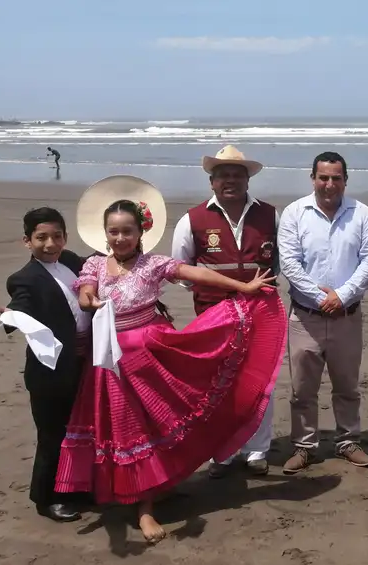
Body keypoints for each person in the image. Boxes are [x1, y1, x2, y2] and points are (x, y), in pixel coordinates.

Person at [57, 175, 286, 544]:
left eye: (127, 231)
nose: (120, 238)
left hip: (152, 355)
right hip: (111, 364)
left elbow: (195, 271)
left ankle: (158, 489)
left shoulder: (153, 265)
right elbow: (85, 294)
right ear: (105, 234)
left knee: (165, 423)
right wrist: (91, 302)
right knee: (127, 431)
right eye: (113, 232)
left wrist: (243, 288)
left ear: (140, 233)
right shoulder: (95, 266)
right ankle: (143, 508)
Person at [171, 145, 279, 479]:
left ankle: (257, 450)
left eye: (237, 174)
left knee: (262, 380)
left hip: (260, 312)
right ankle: (224, 451)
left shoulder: (270, 215)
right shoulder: (192, 219)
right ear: (212, 181)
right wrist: (212, 294)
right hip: (213, 316)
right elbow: (181, 270)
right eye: (223, 175)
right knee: (218, 384)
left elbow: (278, 263)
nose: (230, 180)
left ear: (248, 180)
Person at [277, 152, 368, 474]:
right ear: (313, 179)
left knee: (347, 386)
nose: (329, 184)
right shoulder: (295, 213)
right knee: (302, 389)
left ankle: (347, 441)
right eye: (323, 177)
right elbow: (289, 263)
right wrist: (319, 297)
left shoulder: (360, 214)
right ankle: (304, 446)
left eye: (336, 178)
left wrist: (342, 296)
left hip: (347, 318)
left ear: (345, 181)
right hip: (305, 318)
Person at [0, 207, 93, 522]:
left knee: (79, 429)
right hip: (50, 370)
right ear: (27, 240)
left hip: (84, 362)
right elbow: (20, 305)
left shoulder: (71, 261)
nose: (50, 244)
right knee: (53, 434)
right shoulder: (24, 278)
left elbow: (98, 265)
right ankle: (46, 498)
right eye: (41, 238)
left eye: (57, 236)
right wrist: (10, 317)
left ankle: (76, 488)